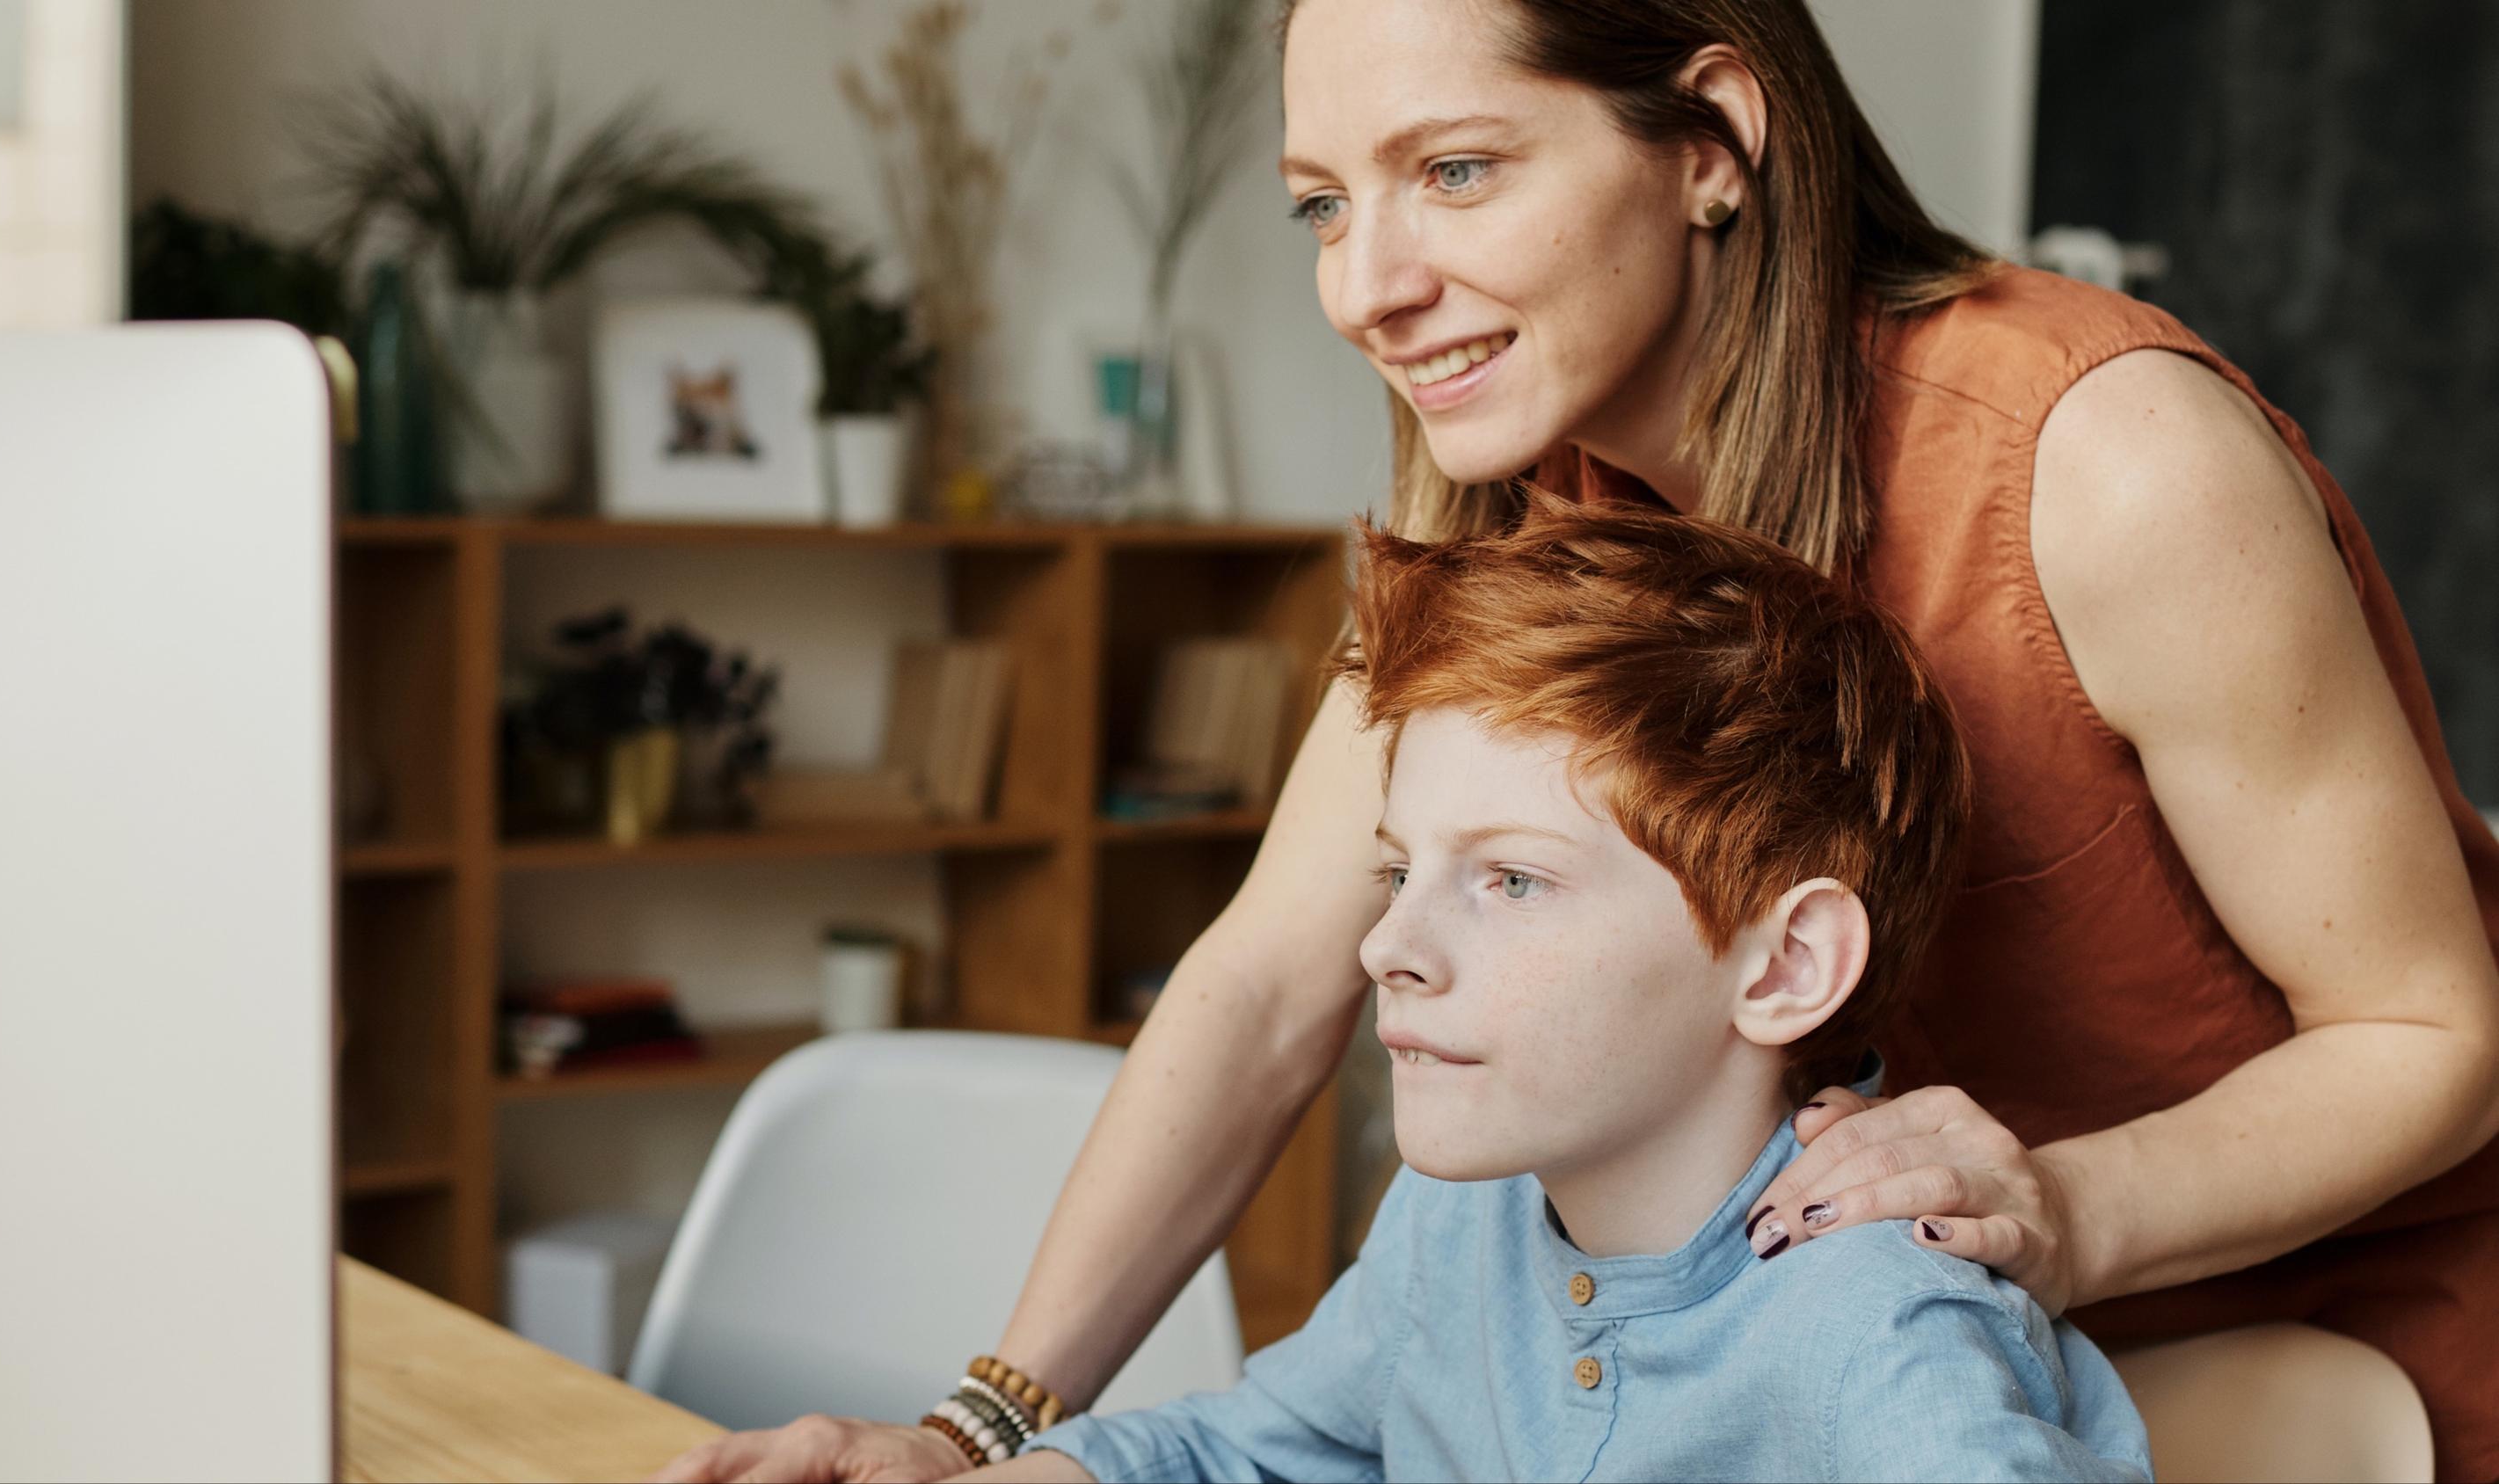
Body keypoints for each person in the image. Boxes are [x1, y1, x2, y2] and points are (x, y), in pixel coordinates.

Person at [659, 1, 2499, 1479]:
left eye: (1453, 171)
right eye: (1322, 201)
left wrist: (2055, 1208)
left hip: (2329, 1355)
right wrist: (980, 1430)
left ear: (1712, 138)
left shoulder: (2107, 463)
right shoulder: (1517, 510)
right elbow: (1269, 981)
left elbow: (2435, 1034)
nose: (1364, 283)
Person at [953, 497, 2150, 1483]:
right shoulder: (1456, 1219)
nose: (1385, 947)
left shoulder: (1887, 1335)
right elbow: (1263, 1453)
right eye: (1397, 871)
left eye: (1513, 881)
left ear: (1784, 967)